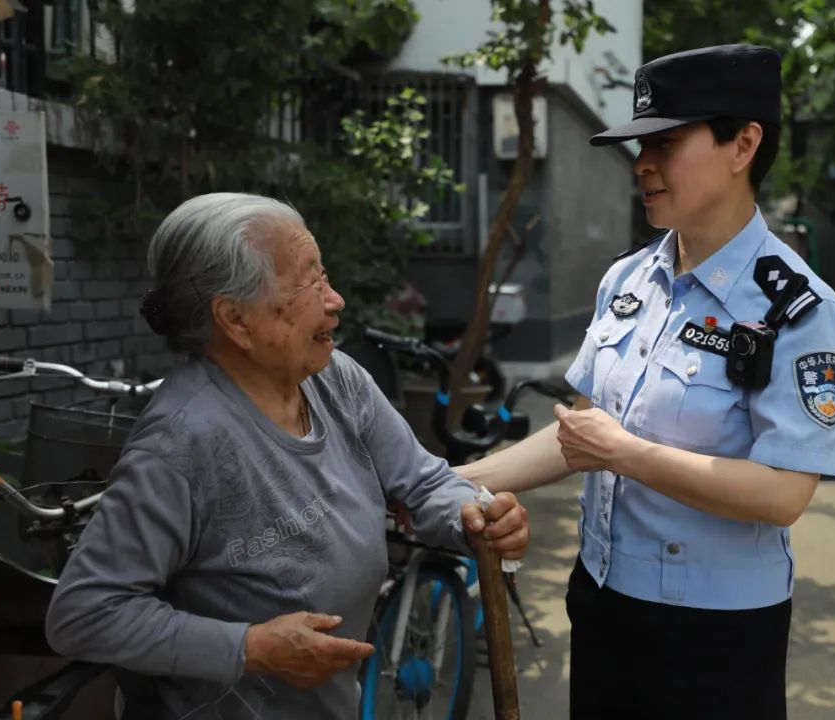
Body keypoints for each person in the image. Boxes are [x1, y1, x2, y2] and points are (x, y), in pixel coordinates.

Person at [455, 45, 835, 719]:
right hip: (605, 603)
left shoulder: (798, 309)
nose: (643, 164)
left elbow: (784, 493)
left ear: (743, 144)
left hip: (714, 633)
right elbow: (579, 437)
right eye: (640, 145)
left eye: (666, 142)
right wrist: (457, 481)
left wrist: (627, 454)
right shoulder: (629, 280)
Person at [45, 193, 531, 719]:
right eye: (309, 281)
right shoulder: (181, 446)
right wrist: (250, 648)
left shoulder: (336, 379)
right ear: (236, 319)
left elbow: (424, 482)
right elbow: (84, 613)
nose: (336, 300)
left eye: (325, 275)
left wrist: (471, 515)